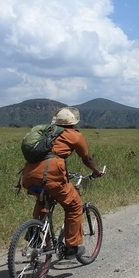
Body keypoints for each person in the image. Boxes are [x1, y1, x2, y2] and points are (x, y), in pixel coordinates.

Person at [22, 107, 103, 258]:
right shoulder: (74, 135)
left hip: (29, 175)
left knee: (42, 201)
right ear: (73, 122)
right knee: (74, 205)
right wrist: (96, 171)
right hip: (50, 175)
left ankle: (34, 233)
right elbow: (86, 159)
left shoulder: (46, 132)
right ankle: (72, 247)